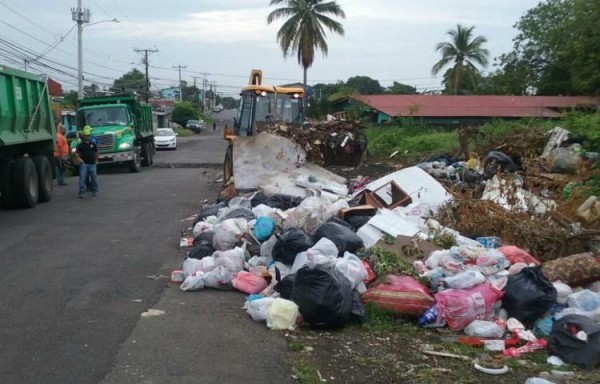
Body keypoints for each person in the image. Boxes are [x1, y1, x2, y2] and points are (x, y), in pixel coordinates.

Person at [75, 126, 99, 198]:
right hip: (84, 164)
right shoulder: (80, 145)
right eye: (86, 135)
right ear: (84, 136)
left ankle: (95, 190)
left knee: (94, 178)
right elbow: (77, 153)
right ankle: (82, 192)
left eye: (89, 135)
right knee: (82, 178)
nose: (88, 137)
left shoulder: (93, 144)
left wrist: (97, 160)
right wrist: (79, 159)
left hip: (92, 164)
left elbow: (96, 152)